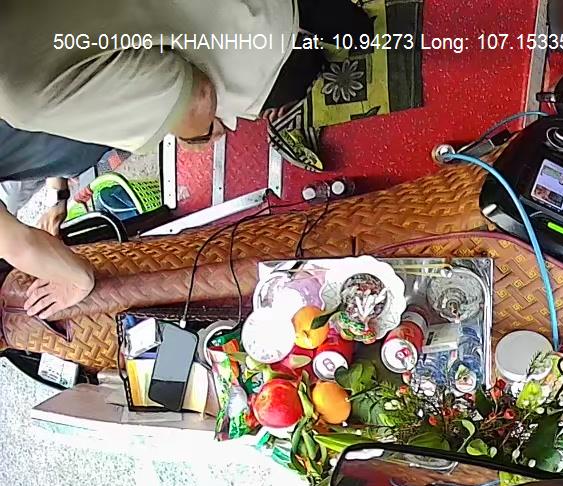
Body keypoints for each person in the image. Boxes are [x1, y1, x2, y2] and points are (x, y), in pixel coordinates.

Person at [0, 0, 374, 152]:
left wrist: (196, 134)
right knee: (354, 28)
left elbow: (195, 97)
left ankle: (330, 47)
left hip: (260, 45)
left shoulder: (18, 92)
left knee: (314, 63)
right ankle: (354, 29)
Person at [0, 121, 109, 319]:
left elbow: (18, 244)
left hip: (95, 128)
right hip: (75, 130)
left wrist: (79, 281)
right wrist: (57, 194)